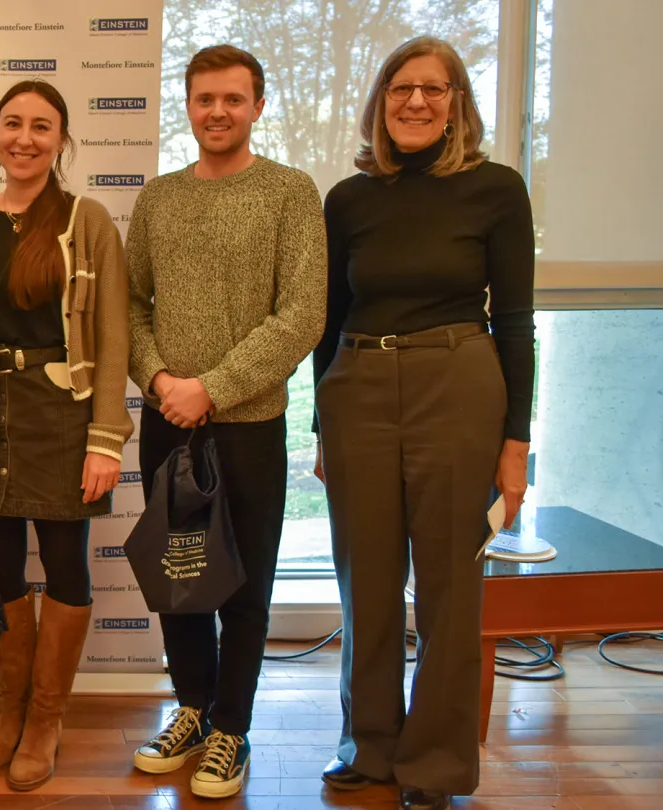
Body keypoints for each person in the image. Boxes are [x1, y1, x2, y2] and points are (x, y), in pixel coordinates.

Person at [313, 36, 534, 810]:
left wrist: (517, 446)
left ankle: (436, 764)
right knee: (365, 580)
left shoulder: (497, 189)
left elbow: (514, 322)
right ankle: (368, 747)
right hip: (358, 388)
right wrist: (319, 426)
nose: (415, 102)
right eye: (401, 89)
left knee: (448, 584)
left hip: (460, 384)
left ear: (457, 104)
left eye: (434, 90)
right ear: (380, 102)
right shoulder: (348, 199)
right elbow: (329, 318)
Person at [126, 46, 327, 798]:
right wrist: (158, 380)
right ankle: (190, 708)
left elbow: (302, 313)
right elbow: (132, 304)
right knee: (181, 579)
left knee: (244, 584)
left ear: (257, 106)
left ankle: (231, 730)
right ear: (188, 105)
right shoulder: (158, 199)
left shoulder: (289, 193)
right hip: (166, 423)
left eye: (232, 99)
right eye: (204, 98)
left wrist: (211, 386)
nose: (217, 111)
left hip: (247, 425)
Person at [0, 80, 132, 791]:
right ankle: (10, 709)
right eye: (13, 123)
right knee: (1, 574)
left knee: (66, 568)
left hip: (61, 411)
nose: (25, 138)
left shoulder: (86, 220)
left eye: (42, 126)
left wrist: (106, 439)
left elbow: (113, 336)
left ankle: (47, 718)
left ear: (62, 140)